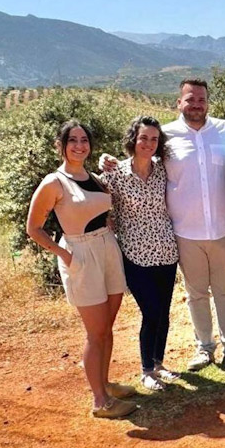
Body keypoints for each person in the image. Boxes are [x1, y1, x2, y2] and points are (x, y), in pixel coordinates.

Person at [26, 120, 135, 419]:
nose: (79, 145)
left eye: (84, 140)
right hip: (81, 254)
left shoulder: (95, 178)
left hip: (108, 249)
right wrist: (66, 255)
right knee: (95, 332)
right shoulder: (54, 182)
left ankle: (105, 383)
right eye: (72, 140)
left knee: (107, 329)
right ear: (61, 145)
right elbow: (33, 228)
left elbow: (103, 210)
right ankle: (100, 401)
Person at [159, 79, 225, 374]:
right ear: (179, 102)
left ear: (207, 102)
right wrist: (110, 163)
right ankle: (204, 348)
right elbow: (141, 166)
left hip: (224, 228)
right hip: (185, 231)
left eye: (201, 99)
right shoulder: (164, 136)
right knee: (196, 292)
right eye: (190, 99)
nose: (196, 104)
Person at [99, 116, 181, 392]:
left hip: (166, 251)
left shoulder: (162, 170)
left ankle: (158, 363)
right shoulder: (116, 173)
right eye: (143, 137)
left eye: (154, 139)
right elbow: (97, 203)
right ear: (133, 139)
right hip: (134, 255)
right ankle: (146, 369)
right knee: (151, 311)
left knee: (164, 313)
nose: (148, 143)